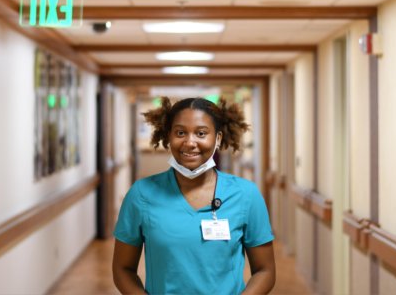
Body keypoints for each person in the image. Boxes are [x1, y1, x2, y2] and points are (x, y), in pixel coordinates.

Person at [112, 97, 276, 294]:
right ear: (168, 136)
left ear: (218, 138)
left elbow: (265, 270)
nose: (190, 142)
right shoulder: (142, 195)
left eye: (201, 133)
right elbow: (123, 269)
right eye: (180, 132)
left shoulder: (246, 195)